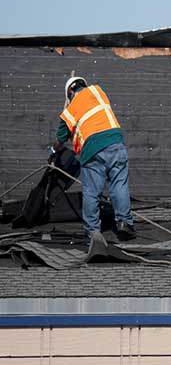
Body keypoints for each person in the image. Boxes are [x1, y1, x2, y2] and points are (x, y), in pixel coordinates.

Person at [51, 76, 135, 244]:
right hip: (115, 143)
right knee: (119, 185)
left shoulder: (68, 112)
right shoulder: (98, 91)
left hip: (92, 150)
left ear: (69, 93)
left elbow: (60, 139)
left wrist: (53, 150)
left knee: (91, 192)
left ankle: (92, 231)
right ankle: (125, 223)